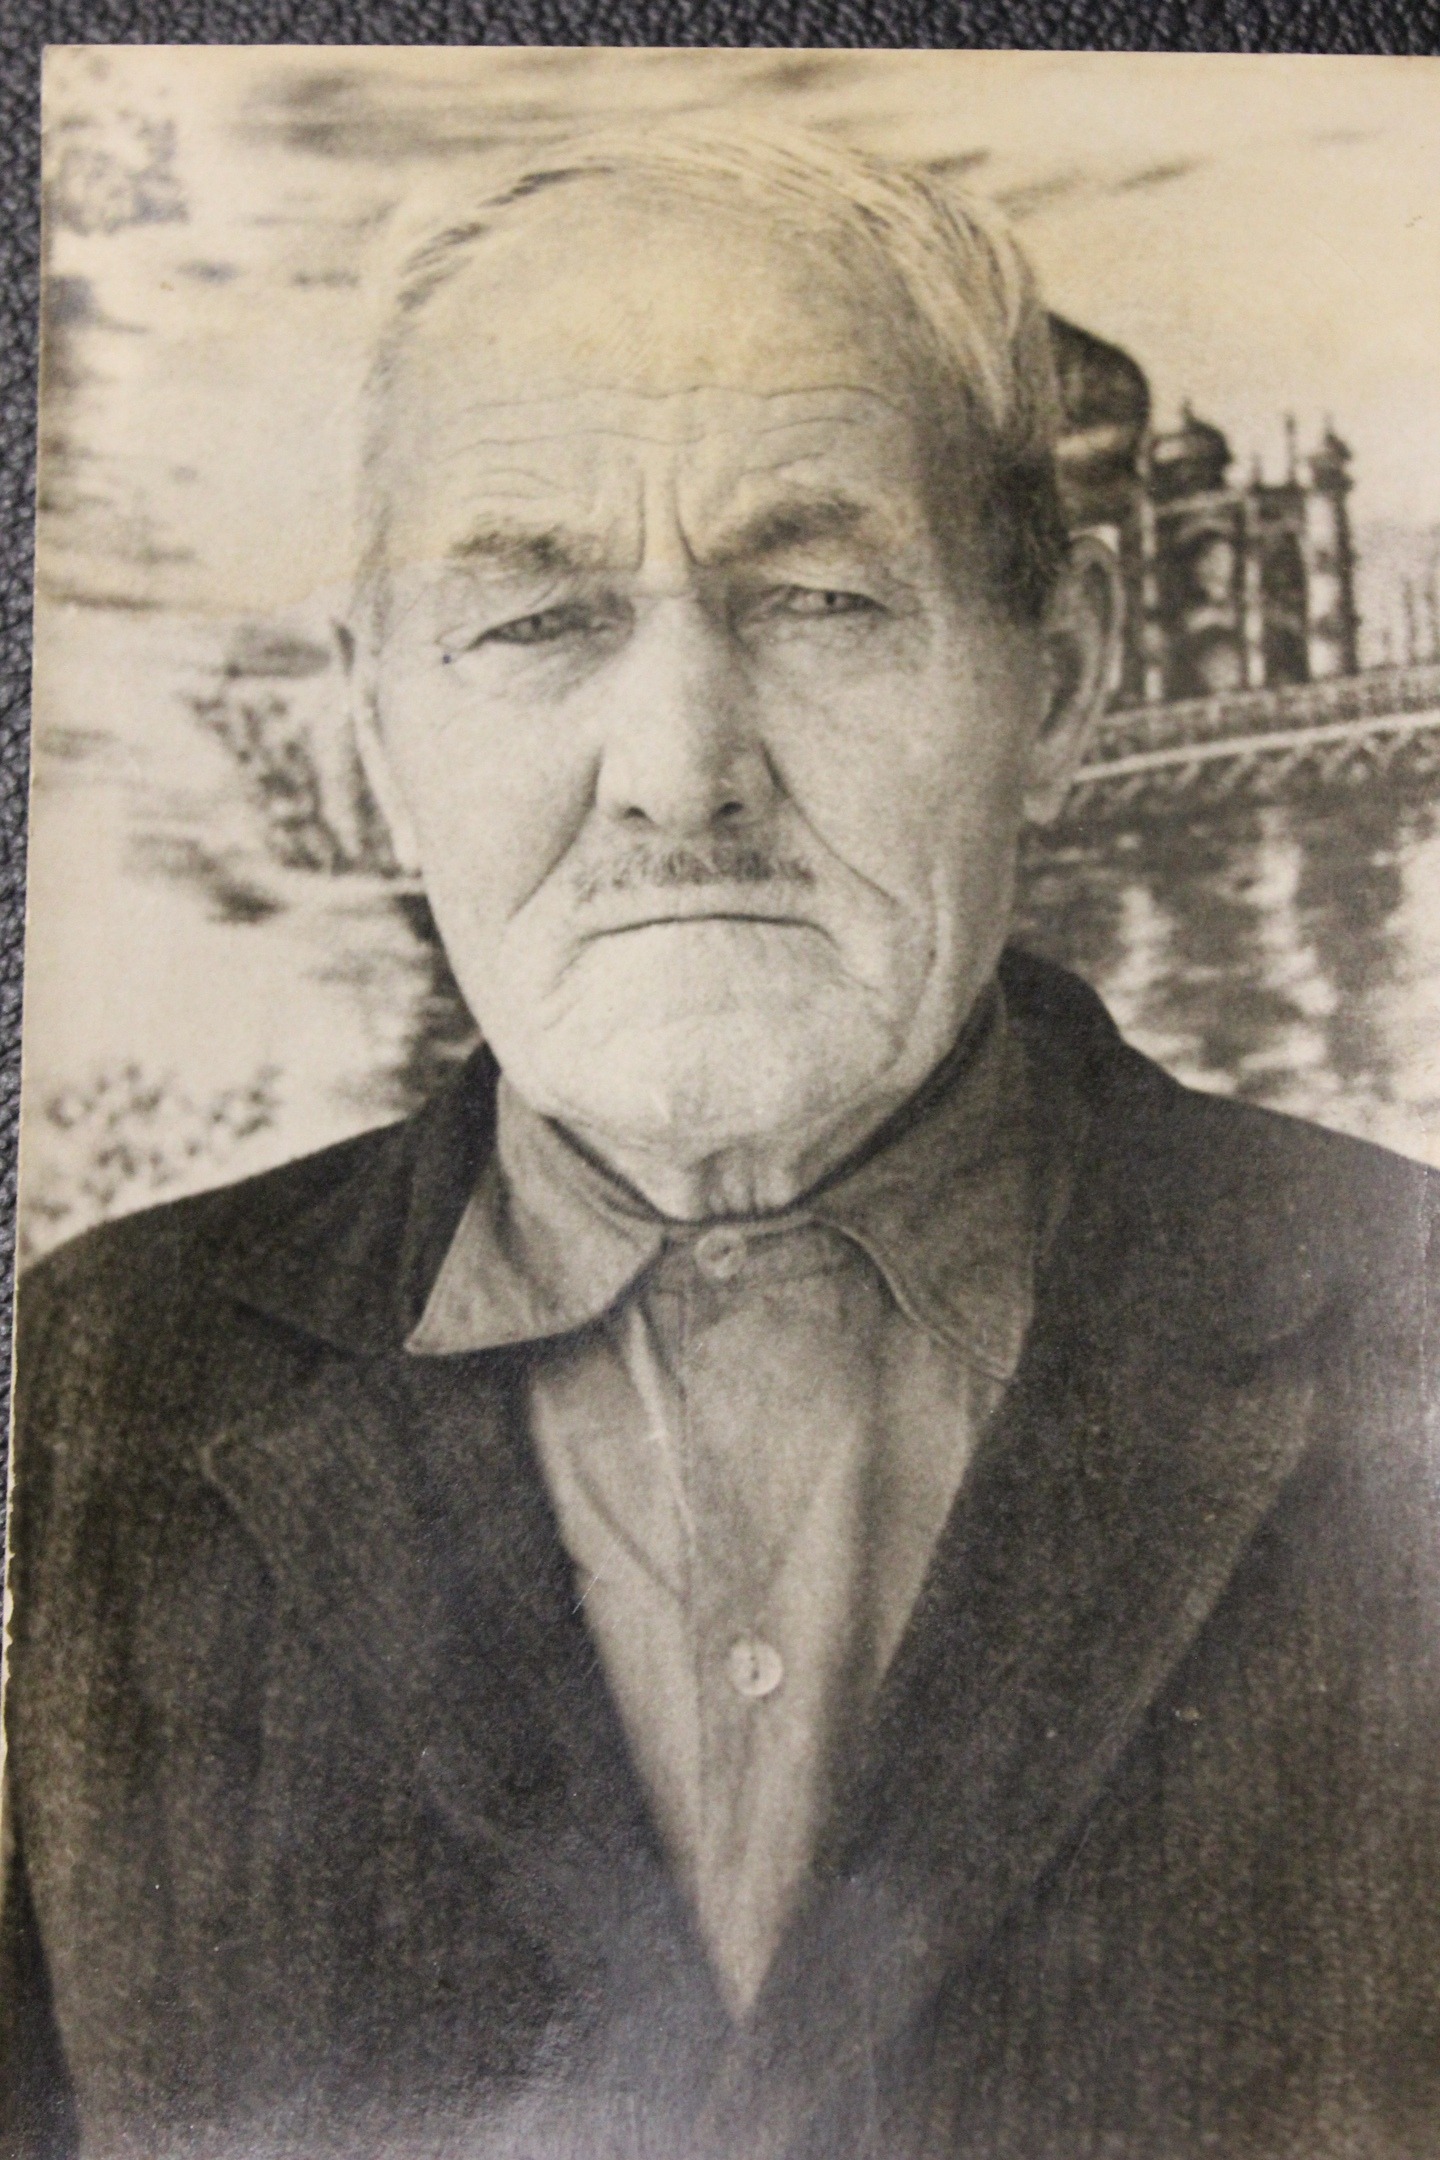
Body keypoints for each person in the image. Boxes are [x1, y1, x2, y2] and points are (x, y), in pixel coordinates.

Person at [3, 130, 1438, 2160]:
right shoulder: (83, 1397)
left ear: (1061, 681)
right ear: (378, 730)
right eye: (533, 622)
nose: (680, 774)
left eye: (822, 598)